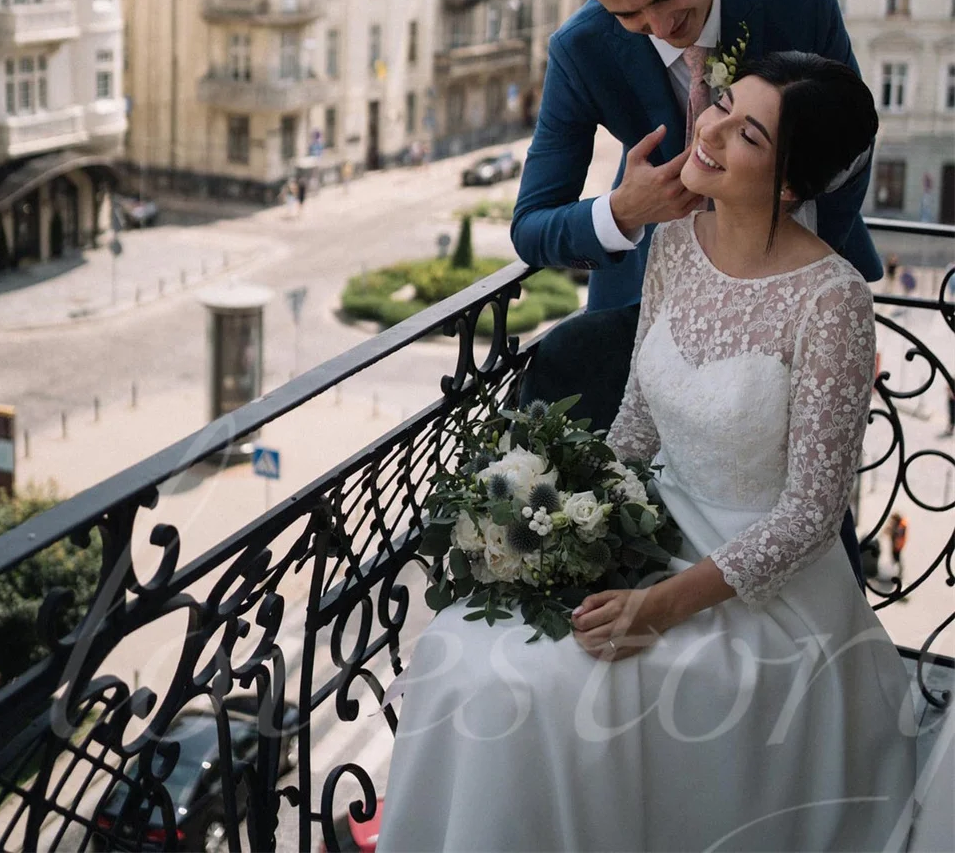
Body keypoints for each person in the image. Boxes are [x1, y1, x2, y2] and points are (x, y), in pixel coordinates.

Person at [377, 54, 915, 853]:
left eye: (750, 135)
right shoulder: (674, 238)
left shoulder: (833, 300)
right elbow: (635, 425)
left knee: (543, 682)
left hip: (757, 591)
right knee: (463, 643)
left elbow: (812, 515)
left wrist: (657, 608)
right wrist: (564, 524)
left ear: (793, 185)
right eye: (723, 105)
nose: (714, 131)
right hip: (653, 528)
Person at [512, 0, 876, 586]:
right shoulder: (581, 49)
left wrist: (801, 278)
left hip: (799, 307)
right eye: (628, 15)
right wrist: (625, 212)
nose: (658, 26)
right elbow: (532, 226)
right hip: (652, 312)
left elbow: (851, 144)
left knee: (815, 505)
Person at [888, 511, 908, 581]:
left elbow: (898, 533)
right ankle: (896, 570)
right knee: (895, 557)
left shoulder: (901, 525)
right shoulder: (898, 524)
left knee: (897, 557)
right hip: (896, 543)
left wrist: (892, 530)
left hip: (898, 544)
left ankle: (899, 571)